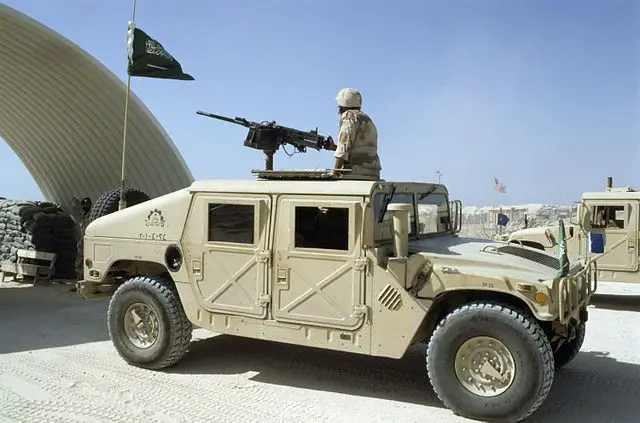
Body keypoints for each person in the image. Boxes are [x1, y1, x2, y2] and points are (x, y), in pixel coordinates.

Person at [326, 88, 381, 179]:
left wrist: (334, 174)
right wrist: (334, 147)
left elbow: (343, 150)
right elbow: (360, 150)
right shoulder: (367, 119)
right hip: (372, 173)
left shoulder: (349, 117)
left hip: (354, 173)